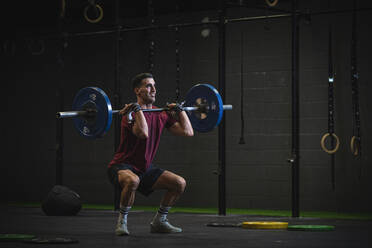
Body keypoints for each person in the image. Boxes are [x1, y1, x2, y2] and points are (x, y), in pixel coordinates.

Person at [107, 72, 194, 236]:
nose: (153, 89)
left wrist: (180, 111)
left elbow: (188, 132)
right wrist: (137, 110)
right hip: (122, 166)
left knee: (179, 183)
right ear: (137, 91)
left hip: (144, 168)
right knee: (133, 180)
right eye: (148, 86)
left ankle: (159, 221)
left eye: (154, 86)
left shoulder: (161, 114)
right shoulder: (129, 114)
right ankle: (122, 222)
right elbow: (143, 134)